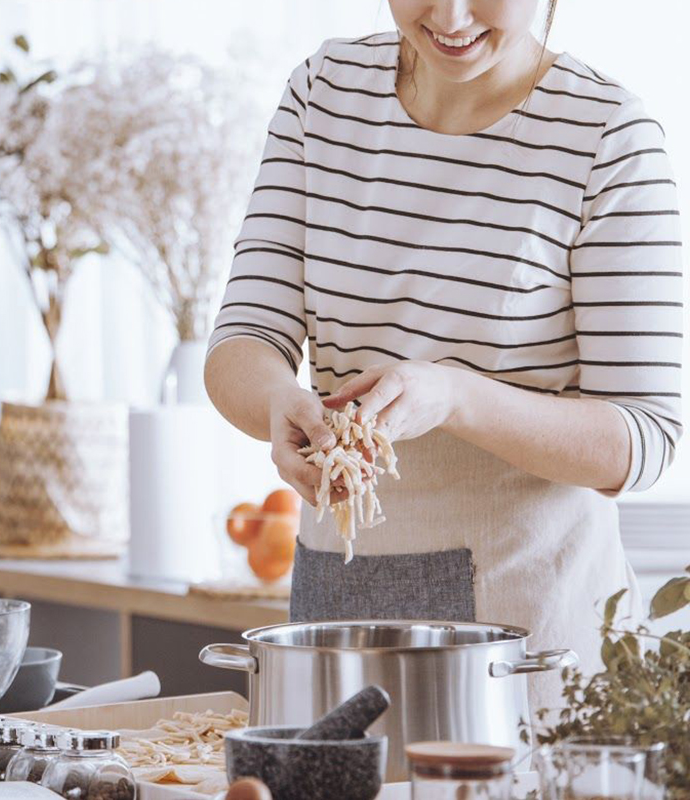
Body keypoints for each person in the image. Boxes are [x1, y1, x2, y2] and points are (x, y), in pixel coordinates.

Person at [204, 0, 683, 707]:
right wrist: (280, 401)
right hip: (337, 612)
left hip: (530, 653)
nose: (450, 15)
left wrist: (455, 396)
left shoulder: (607, 135)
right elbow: (243, 341)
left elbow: (642, 438)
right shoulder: (324, 92)